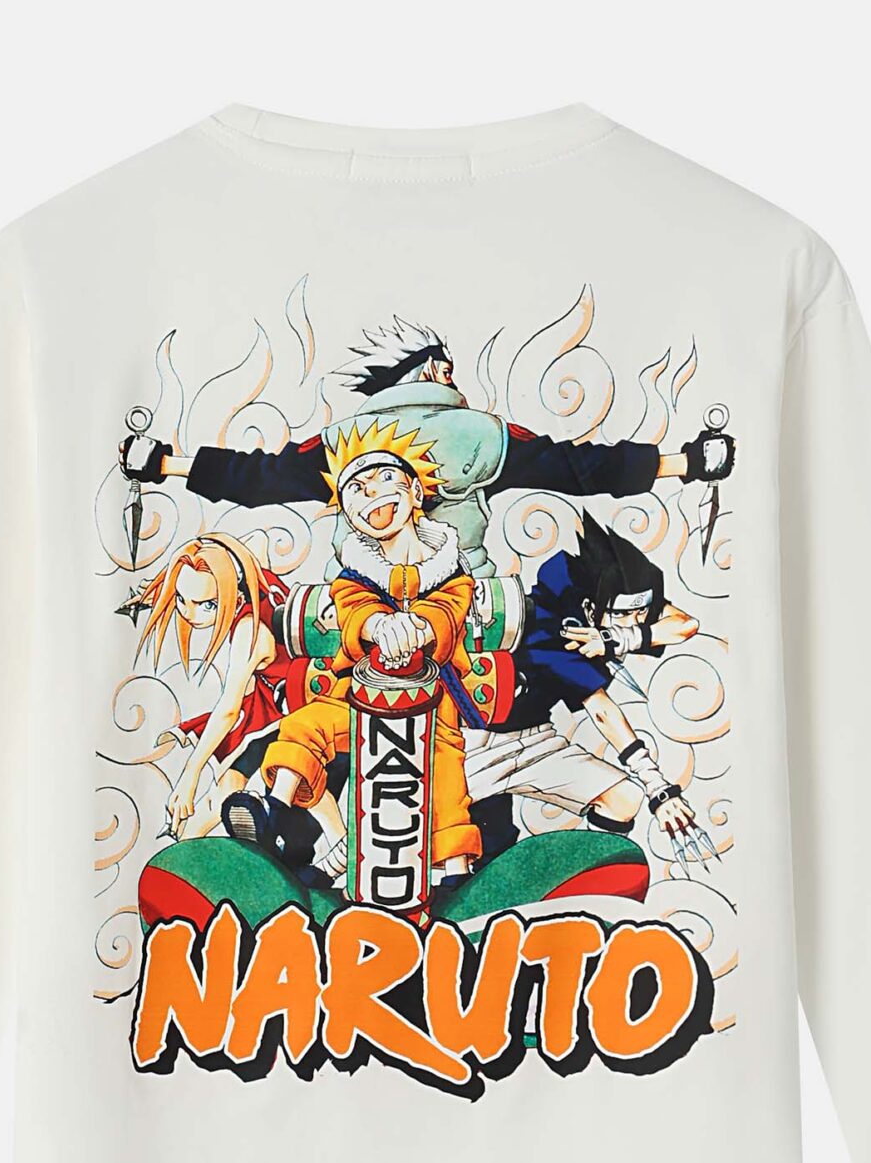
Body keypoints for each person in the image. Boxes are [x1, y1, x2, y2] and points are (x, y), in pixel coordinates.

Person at [119, 316, 735, 577]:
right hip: (467, 602)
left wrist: (164, 464)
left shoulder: (338, 443)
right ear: (435, 370)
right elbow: (578, 469)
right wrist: (685, 463)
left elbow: (257, 480)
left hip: (356, 606)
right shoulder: (483, 433)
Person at [222, 418, 489, 879]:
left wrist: (420, 628)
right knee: (305, 725)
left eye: (385, 479)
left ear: (415, 492)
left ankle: (456, 871)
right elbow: (355, 611)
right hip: (360, 696)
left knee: (446, 772)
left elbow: (448, 613)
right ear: (348, 514)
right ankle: (272, 810)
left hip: (433, 702)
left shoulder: (450, 569)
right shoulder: (354, 575)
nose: (372, 495)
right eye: (356, 491)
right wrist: (378, 624)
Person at [465, 514, 716, 864]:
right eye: (622, 615)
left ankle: (577, 875)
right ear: (588, 608)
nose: (634, 622)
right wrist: (658, 787)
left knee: (623, 799)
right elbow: (602, 712)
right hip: (479, 745)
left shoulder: (609, 607)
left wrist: (618, 636)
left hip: (538, 741)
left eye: (641, 614)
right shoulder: (558, 630)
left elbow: (685, 624)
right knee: (467, 842)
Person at [130, 532, 344, 864]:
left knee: (295, 772)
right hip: (281, 703)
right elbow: (255, 539)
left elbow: (228, 710)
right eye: (182, 599)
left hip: (306, 706)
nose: (191, 614)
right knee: (230, 782)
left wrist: (189, 778)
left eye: (208, 604)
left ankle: (339, 843)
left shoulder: (250, 632)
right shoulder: (254, 573)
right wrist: (164, 585)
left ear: (231, 592)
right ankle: (183, 854)